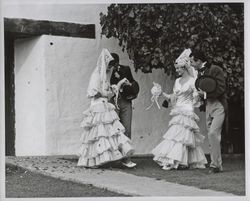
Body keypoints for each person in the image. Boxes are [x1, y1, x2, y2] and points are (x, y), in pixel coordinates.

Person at [77, 49, 135, 168]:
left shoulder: (105, 76)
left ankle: (111, 159)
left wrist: (114, 88)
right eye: (109, 66)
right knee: (98, 134)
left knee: (109, 133)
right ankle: (94, 160)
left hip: (104, 105)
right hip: (98, 106)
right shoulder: (96, 75)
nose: (111, 69)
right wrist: (110, 90)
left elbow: (107, 92)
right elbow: (94, 93)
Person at [152, 49, 207, 170]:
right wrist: (161, 93)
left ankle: (180, 161)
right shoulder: (177, 81)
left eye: (178, 68)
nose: (177, 71)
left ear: (185, 68)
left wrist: (196, 97)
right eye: (176, 69)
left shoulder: (193, 81)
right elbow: (173, 97)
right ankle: (178, 160)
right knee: (177, 136)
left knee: (183, 137)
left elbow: (196, 97)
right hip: (178, 110)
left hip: (187, 110)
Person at [190, 50, 228, 173]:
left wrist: (205, 94)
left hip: (219, 105)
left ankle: (214, 165)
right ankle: (218, 165)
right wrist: (199, 97)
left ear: (199, 61)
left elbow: (221, 88)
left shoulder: (215, 69)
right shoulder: (200, 73)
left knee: (213, 133)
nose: (191, 64)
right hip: (208, 106)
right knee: (212, 137)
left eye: (192, 61)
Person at [109, 53, 140, 168]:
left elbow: (133, 83)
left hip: (126, 102)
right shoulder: (106, 72)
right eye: (111, 64)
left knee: (127, 129)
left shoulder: (125, 69)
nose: (114, 66)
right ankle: (113, 159)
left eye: (115, 63)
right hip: (113, 102)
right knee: (114, 129)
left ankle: (127, 158)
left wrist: (132, 91)